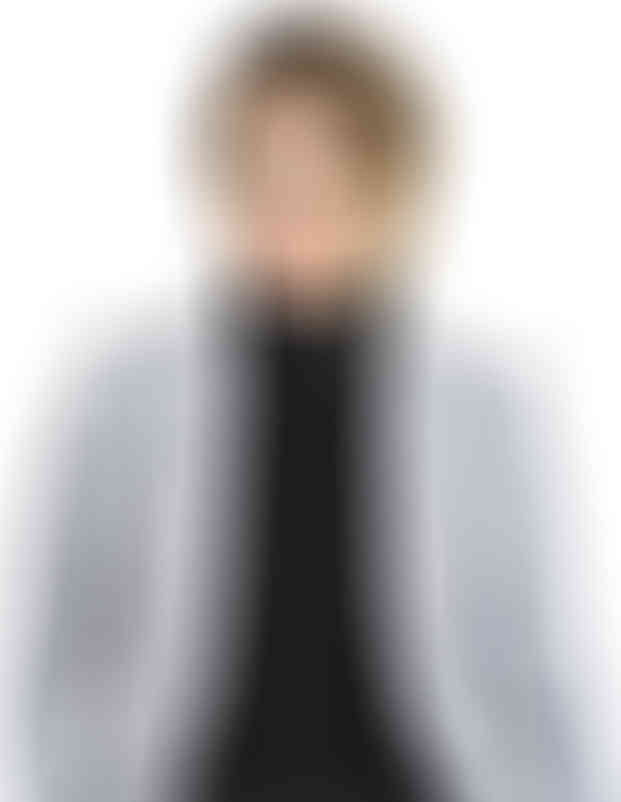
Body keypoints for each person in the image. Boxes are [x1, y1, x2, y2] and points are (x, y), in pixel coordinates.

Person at [31, 18, 578, 802]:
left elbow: (528, 663)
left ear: (388, 179)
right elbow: (70, 638)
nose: (292, 205)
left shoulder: (482, 407)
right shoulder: (128, 395)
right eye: (263, 172)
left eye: (324, 173)